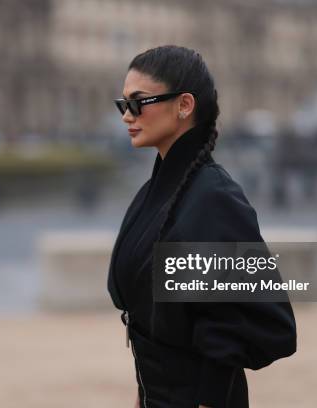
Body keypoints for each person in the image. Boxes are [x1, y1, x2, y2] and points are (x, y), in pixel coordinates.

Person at [107, 45, 297, 408]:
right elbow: (154, 330)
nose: (126, 116)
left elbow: (254, 326)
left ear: (184, 105)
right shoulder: (156, 193)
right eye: (123, 104)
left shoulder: (213, 198)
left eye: (138, 102)